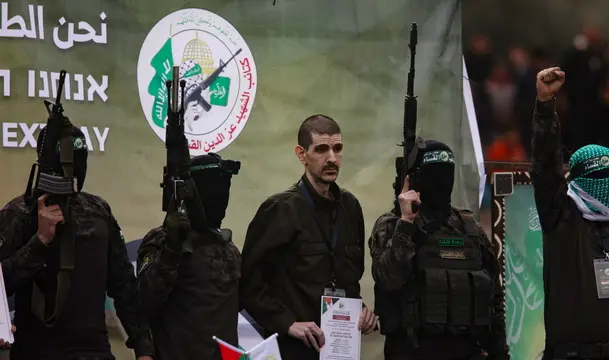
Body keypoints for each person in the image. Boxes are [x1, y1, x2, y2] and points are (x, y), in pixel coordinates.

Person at [0, 125, 153, 359]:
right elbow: (2, 285)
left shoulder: (98, 211)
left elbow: (123, 284)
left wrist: (144, 349)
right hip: (36, 352)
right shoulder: (19, 213)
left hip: (94, 352)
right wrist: (39, 241)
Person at [240, 114, 377, 360]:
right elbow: (249, 285)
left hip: (340, 348)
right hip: (293, 350)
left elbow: (349, 279)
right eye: (322, 149)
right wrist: (288, 323)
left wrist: (361, 309)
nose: (332, 158)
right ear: (301, 154)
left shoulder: (351, 207)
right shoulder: (280, 209)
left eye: (338, 148)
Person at [532, 67, 609, 360]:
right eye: (597, 175)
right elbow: (546, 169)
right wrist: (545, 108)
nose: (605, 181)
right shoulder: (562, 221)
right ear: (576, 182)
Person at [369, 139, 508, 360]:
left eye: (446, 173)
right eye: (433, 173)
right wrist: (406, 222)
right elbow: (388, 278)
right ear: (413, 178)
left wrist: (499, 353)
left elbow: (494, 300)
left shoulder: (469, 229)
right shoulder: (392, 225)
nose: (441, 181)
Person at [136, 153, 242, 360]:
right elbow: (143, 299)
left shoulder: (227, 246)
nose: (221, 198)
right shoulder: (164, 239)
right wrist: (172, 249)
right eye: (214, 190)